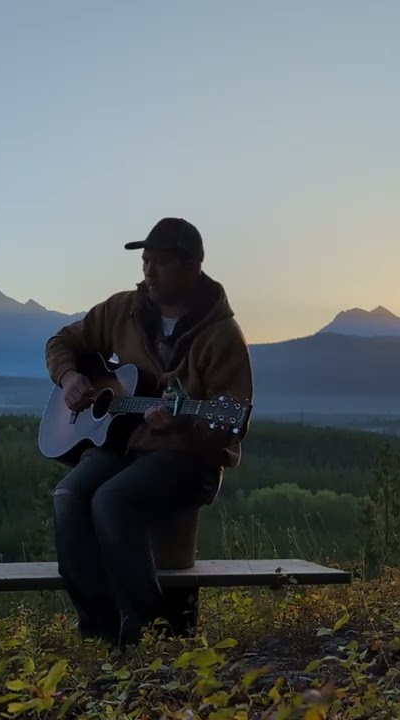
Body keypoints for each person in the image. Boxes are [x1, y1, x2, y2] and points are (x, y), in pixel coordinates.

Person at [43, 216, 254, 648]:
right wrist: (68, 377)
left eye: (160, 262)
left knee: (112, 501)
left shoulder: (222, 336)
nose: (148, 270)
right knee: (68, 497)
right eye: (145, 261)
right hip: (124, 446)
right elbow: (62, 342)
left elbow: (228, 427)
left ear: (193, 266)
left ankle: (152, 636)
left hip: (188, 461)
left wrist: (183, 424)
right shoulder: (124, 310)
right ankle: (100, 635)